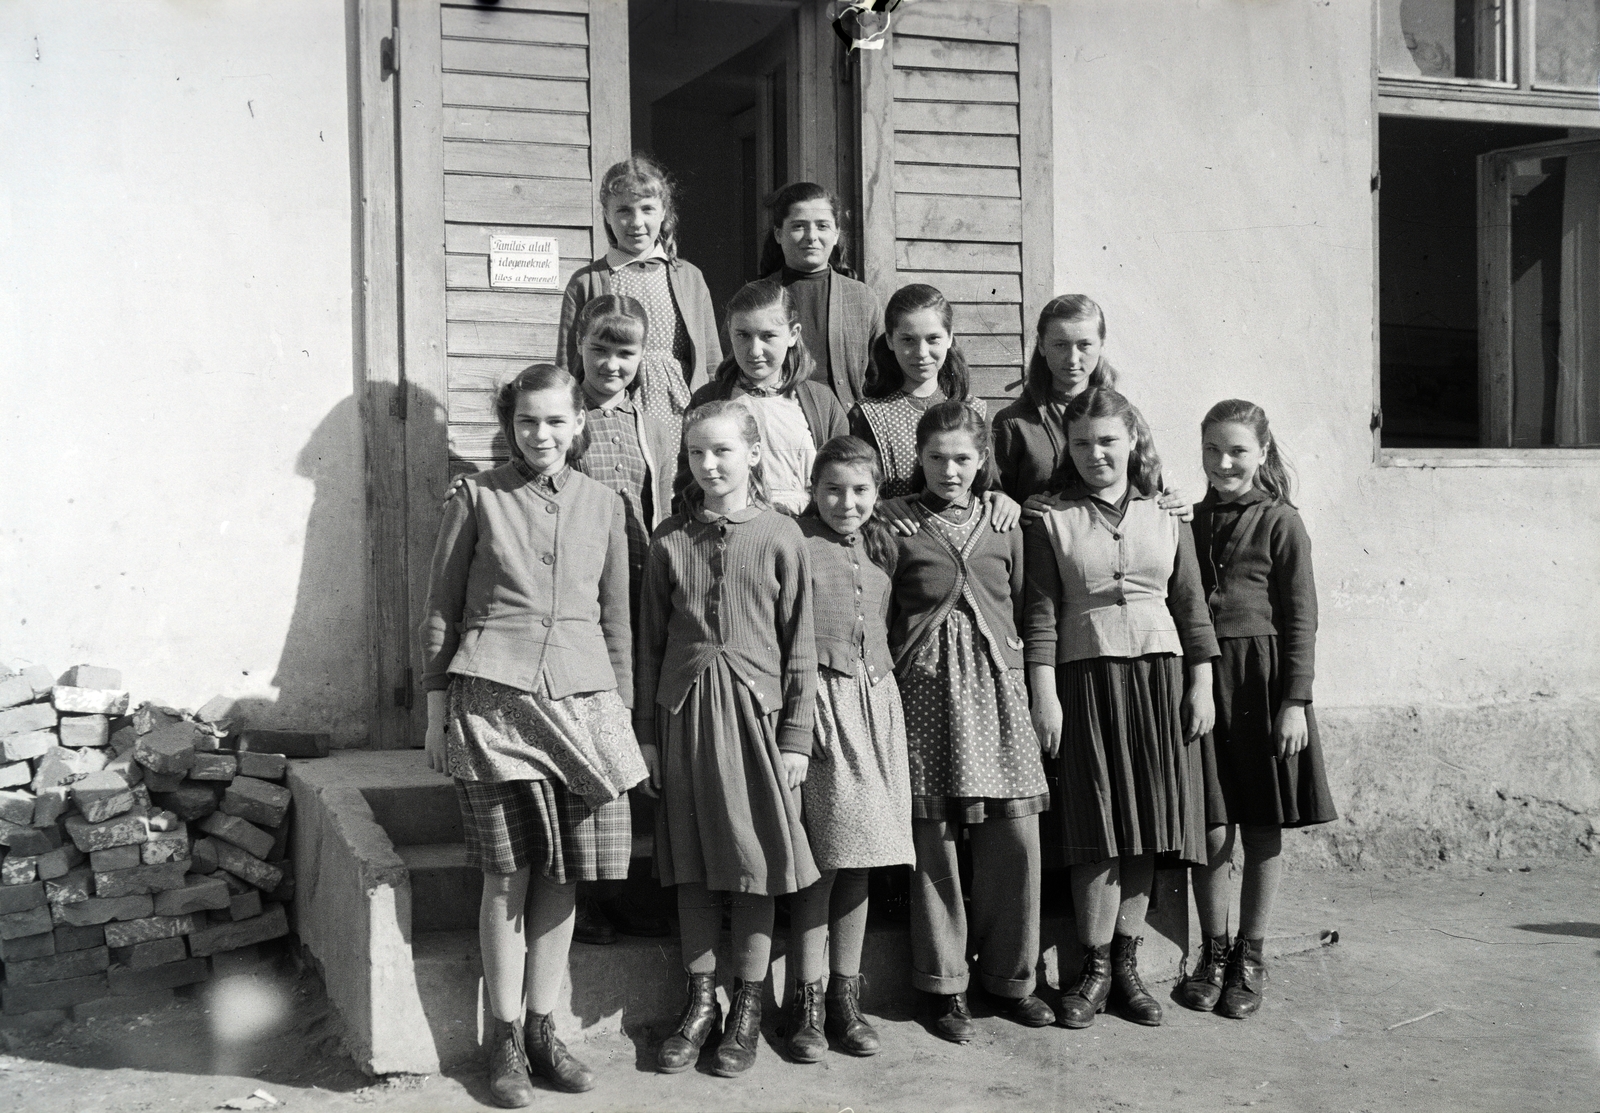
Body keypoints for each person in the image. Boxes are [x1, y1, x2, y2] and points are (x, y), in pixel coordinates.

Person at [418, 364, 647, 1107]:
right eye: (526, 422)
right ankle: (507, 1038)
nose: (540, 434)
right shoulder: (477, 497)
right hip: (493, 702)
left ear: (580, 423)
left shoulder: (605, 503)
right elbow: (439, 611)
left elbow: (618, 621)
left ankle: (547, 1027)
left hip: (583, 705)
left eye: (555, 421)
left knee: (565, 871)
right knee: (506, 874)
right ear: (508, 425)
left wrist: (627, 722)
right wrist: (434, 711)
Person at [1024, 387, 1218, 1031]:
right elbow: (1043, 615)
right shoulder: (1050, 518)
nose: (1094, 454)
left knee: (1146, 824)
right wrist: (1044, 695)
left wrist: (1202, 685)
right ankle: (1093, 967)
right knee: (1095, 823)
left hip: (1161, 680)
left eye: (1107, 441)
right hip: (1084, 680)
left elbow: (1191, 607)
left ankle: (1129, 969)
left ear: (1132, 441)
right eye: (1081, 444)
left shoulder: (1169, 515)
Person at [636, 401, 820, 1078]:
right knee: (691, 859)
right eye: (695, 454)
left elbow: (800, 645)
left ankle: (748, 1002)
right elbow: (649, 647)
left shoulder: (780, 536)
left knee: (753, 858)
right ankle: (701, 1001)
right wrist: (649, 738)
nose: (708, 465)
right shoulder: (667, 542)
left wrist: (797, 735)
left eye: (721, 451)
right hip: (684, 716)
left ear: (751, 455)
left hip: (758, 721)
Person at [887, 401, 1054, 1043]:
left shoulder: (1007, 523)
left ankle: (1013, 979)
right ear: (919, 461)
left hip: (998, 688)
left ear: (982, 461)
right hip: (925, 693)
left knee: (1015, 834)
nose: (949, 470)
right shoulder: (896, 523)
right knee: (937, 840)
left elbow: (1033, 611)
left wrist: (1041, 689)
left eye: (961, 459)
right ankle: (945, 985)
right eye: (935, 459)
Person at [1176, 399, 1336, 1019]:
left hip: (1263, 686)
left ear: (1262, 453)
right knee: (1211, 822)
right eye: (1212, 449)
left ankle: (1251, 955)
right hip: (1206, 685)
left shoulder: (1282, 522)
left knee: (1262, 821)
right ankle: (1212, 952)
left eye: (1238, 450)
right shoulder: (1187, 519)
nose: (1223, 462)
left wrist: (1295, 701)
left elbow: (1302, 618)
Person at [785, 436, 916, 1062]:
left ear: (877, 493)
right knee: (822, 858)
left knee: (860, 854)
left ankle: (846, 996)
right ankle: (805, 1004)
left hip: (874, 702)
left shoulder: (882, 541)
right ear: (813, 489)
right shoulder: (795, 542)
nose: (846, 502)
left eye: (861, 490)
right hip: (821, 705)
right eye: (833, 489)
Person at [558, 154, 721, 451]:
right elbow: (568, 366)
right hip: (609, 412)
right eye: (623, 210)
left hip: (681, 413)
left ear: (663, 213)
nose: (636, 222)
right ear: (606, 215)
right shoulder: (586, 281)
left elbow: (711, 362)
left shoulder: (689, 277)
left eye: (647, 209)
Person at [674, 280, 849, 515]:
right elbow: (689, 482)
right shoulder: (709, 400)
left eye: (768, 336)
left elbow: (843, 476)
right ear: (730, 331)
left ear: (792, 334)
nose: (755, 351)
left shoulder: (820, 402)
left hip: (806, 530)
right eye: (743, 335)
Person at [758, 181, 883, 410]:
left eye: (822, 226)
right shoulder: (758, 297)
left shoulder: (863, 299)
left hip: (846, 431)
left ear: (836, 234)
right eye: (798, 226)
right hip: (779, 424)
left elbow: (882, 377)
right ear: (778, 233)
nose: (811, 236)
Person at [993, 294, 1118, 505]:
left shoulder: (1122, 417)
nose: (1072, 359)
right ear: (1041, 345)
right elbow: (993, 497)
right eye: (1060, 345)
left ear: (1101, 344)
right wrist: (1016, 510)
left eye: (1084, 345)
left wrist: (1174, 501)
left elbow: (1147, 488)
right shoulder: (1013, 424)